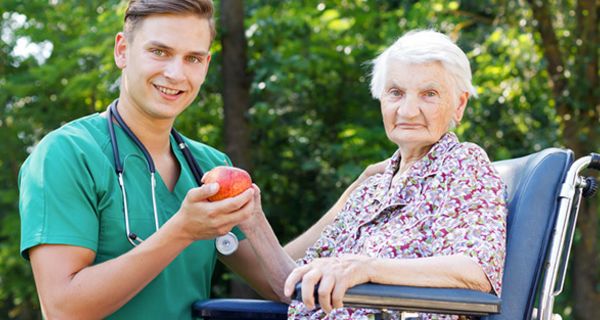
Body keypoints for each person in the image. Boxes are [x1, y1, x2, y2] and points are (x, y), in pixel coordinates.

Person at [17, 1, 319, 318]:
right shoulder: (67, 154)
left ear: (206, 64)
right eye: (159, 52)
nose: (176, 73)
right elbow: (62, 309)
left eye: (193, 58)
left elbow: (282, 286)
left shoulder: (208, 166)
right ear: (122, 50)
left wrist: (354, 194)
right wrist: (182, 231)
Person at [280, 30, 508, 320]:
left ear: (459, 105)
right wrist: (250, 219)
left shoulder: (463, 164)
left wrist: (368, 268)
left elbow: (476, 271)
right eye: (396, 93)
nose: (409, 111)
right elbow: (289, 277)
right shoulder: (371, 189)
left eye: (429, 94)